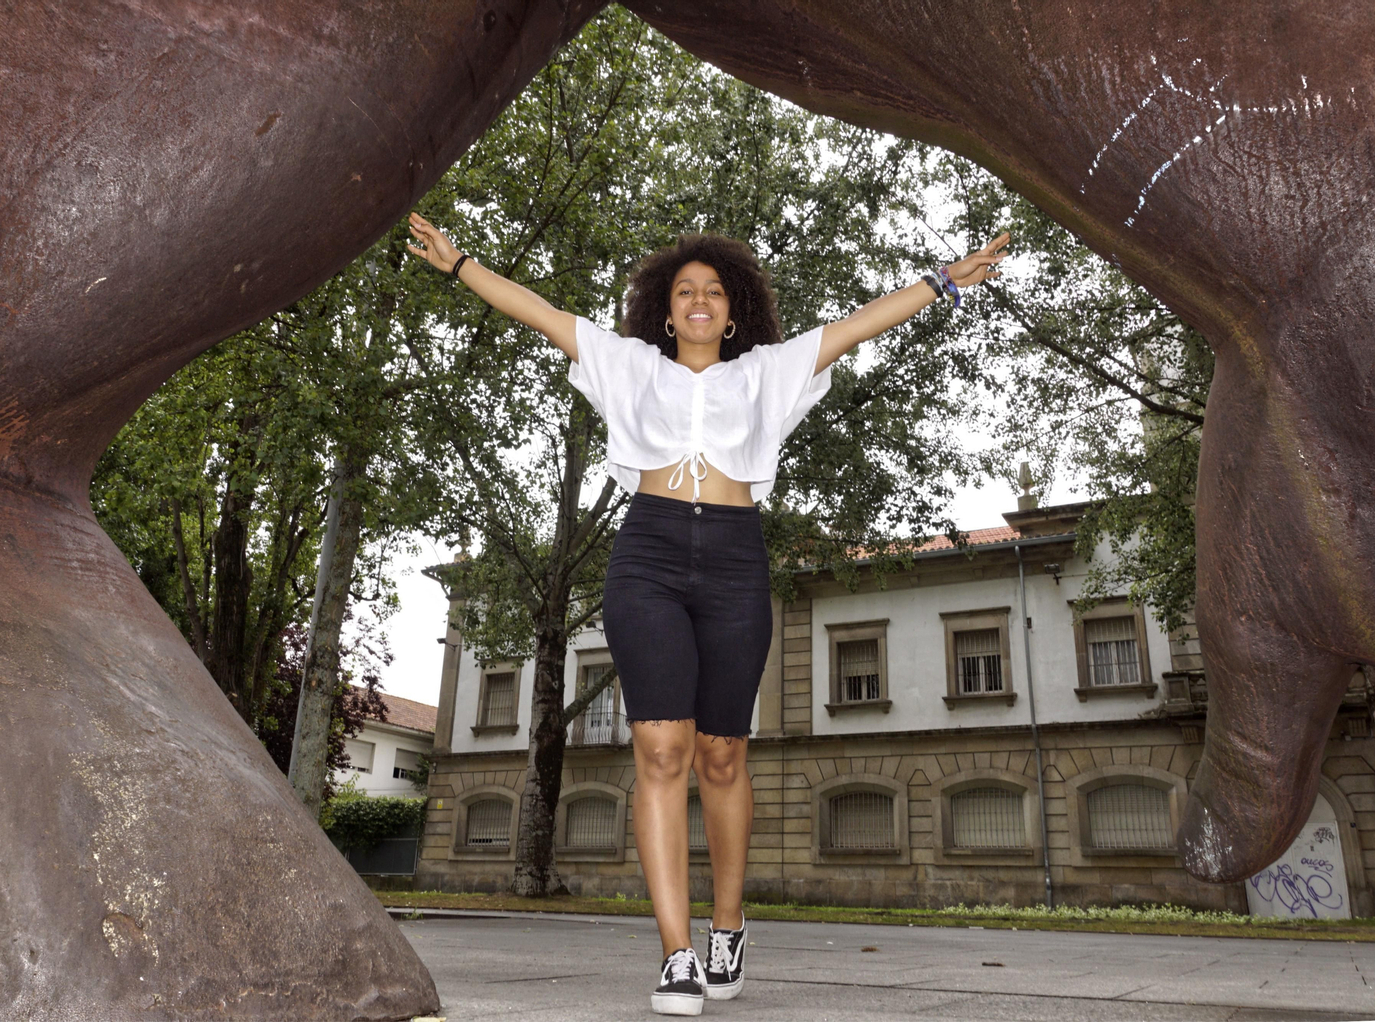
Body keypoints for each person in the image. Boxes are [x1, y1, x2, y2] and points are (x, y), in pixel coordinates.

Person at [407, 212, 1006, 1016]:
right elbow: (538, 311)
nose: (698, 301)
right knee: (660, 748)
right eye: (685, 290)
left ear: (733, 313)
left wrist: (941, 283)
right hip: (647, 555)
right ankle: (678, 954)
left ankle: (728, 926)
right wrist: (460, 266)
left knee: (722, 756)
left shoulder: (767, 372)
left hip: (733, 558)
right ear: (664, 309)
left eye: (713, 292)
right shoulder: (627, 367)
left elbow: (858, 324)